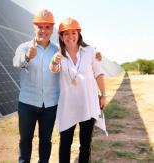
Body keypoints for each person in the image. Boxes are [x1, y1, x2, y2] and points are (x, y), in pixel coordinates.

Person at [49, 17, 107, 163]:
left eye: (73, 33)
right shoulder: (58, 53)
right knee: (65, 144)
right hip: (68, 106)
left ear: (79, 34)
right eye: (66, 34)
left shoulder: (90, 51)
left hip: (88, 104)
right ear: (61, 37)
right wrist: (54, 61)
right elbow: (53, 69)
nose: (70, 37)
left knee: (85, 144)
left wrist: (104, 95)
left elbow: (98, 73)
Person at [13, 9, 59, 163]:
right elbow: (16, 63)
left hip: (50, 105)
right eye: (40, 26)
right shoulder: (24, 47)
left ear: (52, 29)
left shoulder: (58, 50)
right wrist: (27, 56)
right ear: (34, 27)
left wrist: (94, 54)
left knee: (46, 140)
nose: (43, 31)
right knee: (25, 140)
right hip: (27, 104)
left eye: (47, 27)